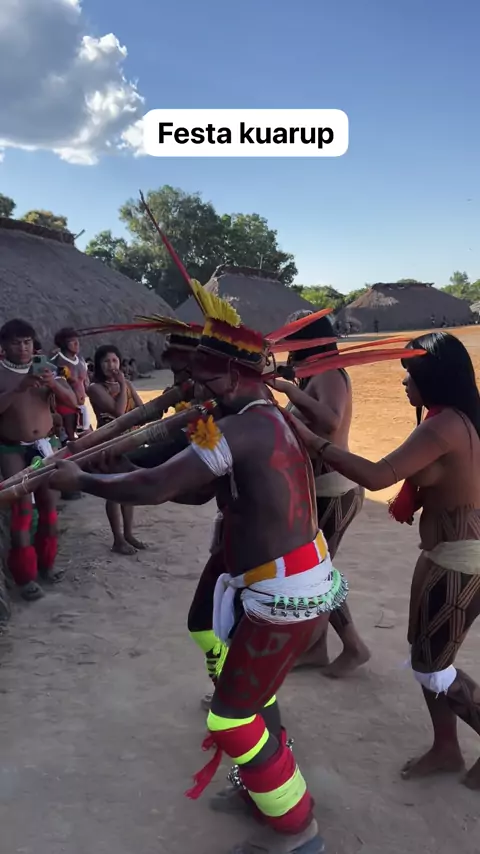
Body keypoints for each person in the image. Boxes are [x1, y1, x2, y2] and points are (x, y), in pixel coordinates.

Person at [50, 295, 350, 854]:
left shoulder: (246, 427)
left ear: (234, 376)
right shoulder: (249, 419)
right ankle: (266, 787)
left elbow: (157, 486)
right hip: (277, 583)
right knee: (248, 695)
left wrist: (83, 481)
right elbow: (193, 490)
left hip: (284, 591)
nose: (193, 390)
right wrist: (122, 464)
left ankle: (297, 829)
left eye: (203, 379)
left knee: (231, 719)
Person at [285, 331, 480, 789]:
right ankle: (446, 748)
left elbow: (376, 477)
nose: (404, 383)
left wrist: (311, 439)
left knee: (432, 664)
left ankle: (453, 744)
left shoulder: (443, 427)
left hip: (461, 560)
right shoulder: (456, 419)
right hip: (449, 554)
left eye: (410, 374)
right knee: (426, 655)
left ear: (434, 376)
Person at [270, 310, 370, 677]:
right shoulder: (315, 373)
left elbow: (329, 421)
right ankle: (317, 649)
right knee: (316, 571)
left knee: (318, 574)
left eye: (294, 341)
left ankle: (354, 646)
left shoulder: (329, 374)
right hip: (323, 489)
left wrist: (290, 392)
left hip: (334, 490)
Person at [0, 319, 78, 600]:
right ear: (3, 347)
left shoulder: (47, 369)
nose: (22, 348)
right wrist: (19, 388)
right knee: (22, 511)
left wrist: (53, 385)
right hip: (12, 450)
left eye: (27, 342)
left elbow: (73, 402)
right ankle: (25, 577)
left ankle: (47, 564)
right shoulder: (1, 373)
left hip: (44, 447)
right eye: (15, 343)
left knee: (49, 507)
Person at [87, 345, 147, 555]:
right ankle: (118, 540)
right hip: (109, 444)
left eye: (114, 360)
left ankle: (128, 534)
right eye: (106, 361)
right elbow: (119, 412)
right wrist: (122, 384)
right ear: (98, 365)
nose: (111, 365)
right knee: (113, 491)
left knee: (128, 487)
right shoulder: (95, 388)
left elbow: (141, 409)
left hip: (130, 442)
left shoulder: (127, 384)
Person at [51, 327, 90, 442]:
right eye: (72, 341)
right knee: (71, 441)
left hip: (82, 408)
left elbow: (85, 382)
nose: (76, 343)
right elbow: (57, 389)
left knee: (88, 439)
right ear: (64, 344)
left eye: (77, 340)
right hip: (65, 408)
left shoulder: (81, 360)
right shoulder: (57, 362)